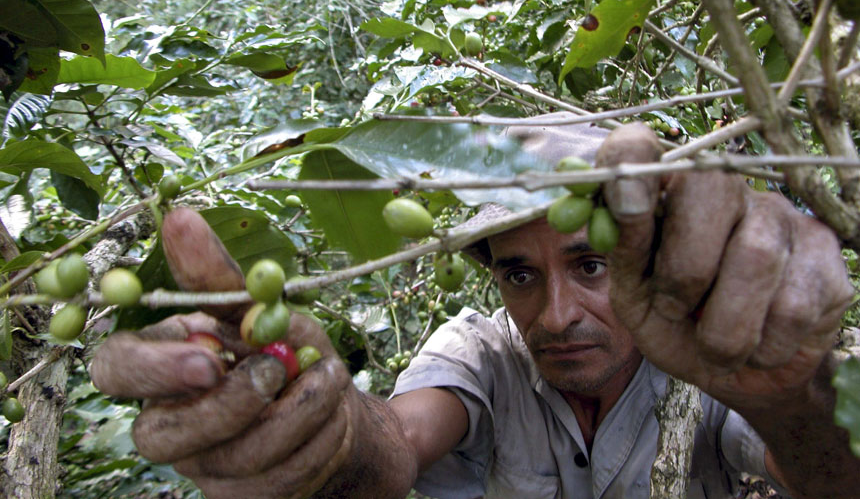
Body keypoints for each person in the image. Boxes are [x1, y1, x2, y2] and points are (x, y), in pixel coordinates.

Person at [90, 119, 860, 499]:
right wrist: (326, 429)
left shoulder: (706, 360)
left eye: (590, 266)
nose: (555, 315)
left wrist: (792, 398)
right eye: (519, 274)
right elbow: (395, 439)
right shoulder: (481, 357)